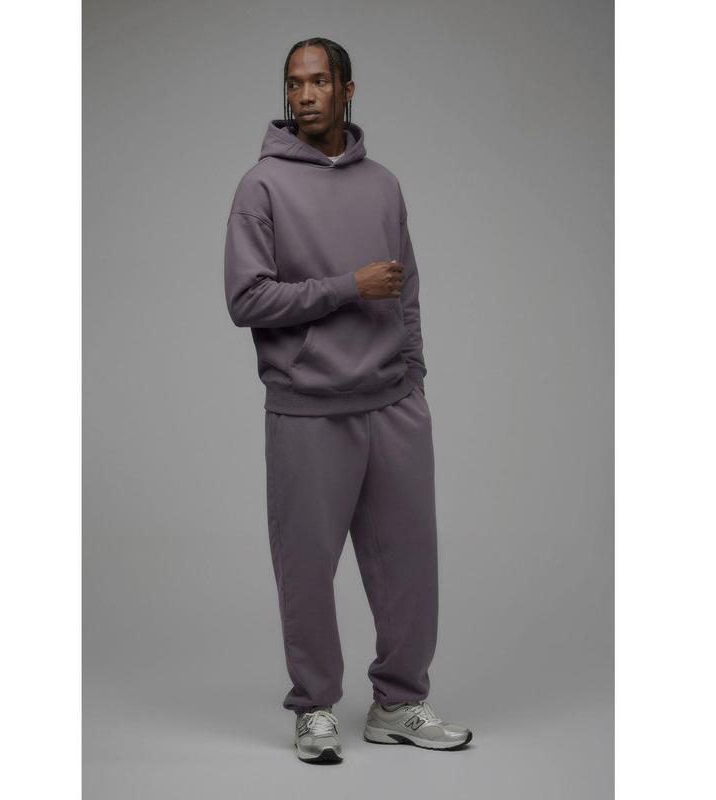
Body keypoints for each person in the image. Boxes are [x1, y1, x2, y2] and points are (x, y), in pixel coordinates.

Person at [224, 37, 472, 764]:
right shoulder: (261, 187)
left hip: (393, 402)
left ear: (347, 90)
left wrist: (413, 370)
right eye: (294, 83)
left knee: (410, 563)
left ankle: (398, 703)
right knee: (306, 568)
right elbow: (246, 299)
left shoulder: (384, 185)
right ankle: (314, 708)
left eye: (318, 82)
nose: (304, 95)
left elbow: (408, 288)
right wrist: (346, 287)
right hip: (308, 406)